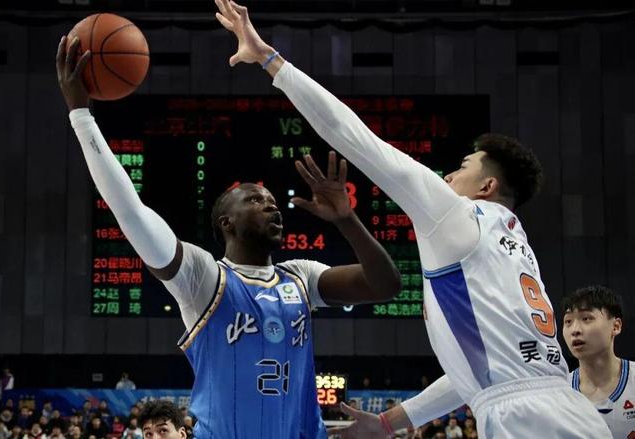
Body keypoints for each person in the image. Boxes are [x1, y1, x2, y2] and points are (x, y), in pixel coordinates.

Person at [214, 0, 612, 437]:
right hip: (563, 410)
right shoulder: (513, 245)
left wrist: (270, 60)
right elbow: (473, 374)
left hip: (531, 420)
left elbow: (353, 136)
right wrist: (390, 422)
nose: (448, 176)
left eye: (462, 167)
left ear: (487, 186)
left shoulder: (457, 215)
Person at [55, 33, 400, 439]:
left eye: (272, 201)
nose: (271, 206)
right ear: (226, 222)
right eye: (255, 200)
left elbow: (386, 285)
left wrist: (347, 219)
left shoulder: (300, 277)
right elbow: (131, 212)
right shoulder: (204, 277)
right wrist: (81, 115)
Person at [562, 285, 634, 438]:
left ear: (616, 326)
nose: (575, 330)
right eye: (568, 321)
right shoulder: (561, 393)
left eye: (586, 319)